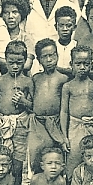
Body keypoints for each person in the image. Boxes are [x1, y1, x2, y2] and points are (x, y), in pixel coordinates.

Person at [0, 41, 33, 185]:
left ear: (25, 61)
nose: (15, 66)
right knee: (3, 163)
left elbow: (33, 107)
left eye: (19, 62)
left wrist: (24, 101)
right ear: (5, 60)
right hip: (3, 126)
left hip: (21, 125)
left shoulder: (27, 81)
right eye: (11, 62)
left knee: (17, 165)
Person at [29, 38, 68, 174]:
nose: (49, 59)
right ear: (39, 60)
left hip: (56, 121)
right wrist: (23, 101)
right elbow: (32, 103)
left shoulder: (63, 78)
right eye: (45, 56)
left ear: (57, 55)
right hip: (37, 122)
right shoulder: (36, 78)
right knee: (37, 154)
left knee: (56, 156)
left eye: (52, 55)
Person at [60, 46, 93, 181]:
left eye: (86, 64)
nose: (82, 67)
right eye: (78, 64)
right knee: (74, 158)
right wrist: (64, 136)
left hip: (92, 126)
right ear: (72, 65)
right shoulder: (68, 86)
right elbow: (64, 111)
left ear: (91, 64)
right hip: (75, 127)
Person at [0, 0, 35, 74]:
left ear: (21, 14)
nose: (10, 16)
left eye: (15, 12)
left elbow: (27, 65)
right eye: (6, 12)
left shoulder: (26, 38)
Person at [53, 6, 78, 77]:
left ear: (74, 27)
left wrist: (58, 69)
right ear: (56, 27)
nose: (65, 29)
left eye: (68, 25)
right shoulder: (52, 47)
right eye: (61, 25)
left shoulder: (77, 46)